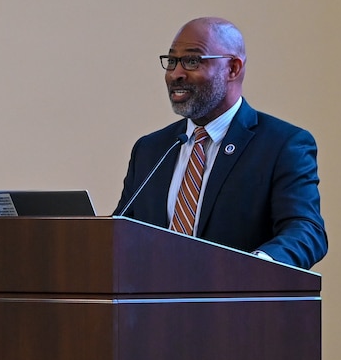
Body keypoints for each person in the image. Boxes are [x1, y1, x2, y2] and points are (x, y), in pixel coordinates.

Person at [114, 17, 327, 270]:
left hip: (235, 305)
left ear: (233, 69)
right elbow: (121, 234)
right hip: (152, 307)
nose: (176, 74)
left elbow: (306, 231)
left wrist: (257, 267)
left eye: (192, 61)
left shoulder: (282, 145)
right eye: (171, 61)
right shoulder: (151, 150)